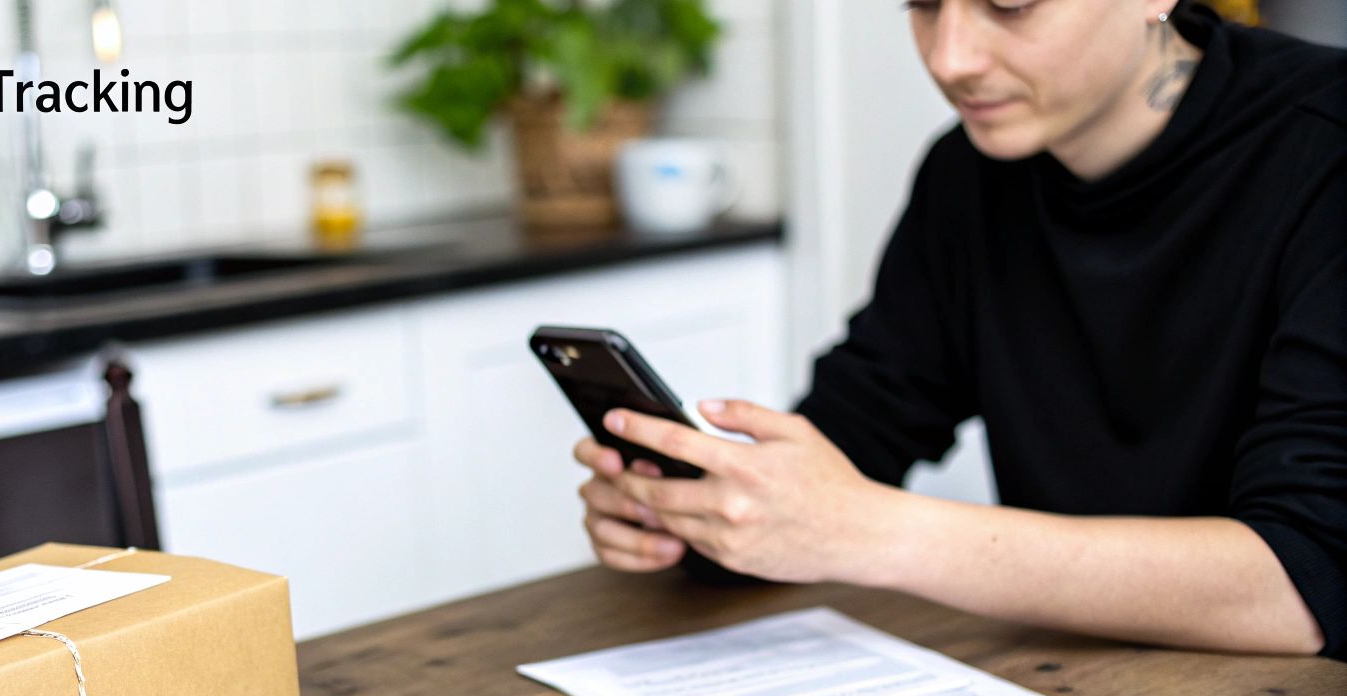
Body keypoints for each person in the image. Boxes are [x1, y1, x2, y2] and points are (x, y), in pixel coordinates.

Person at [574, 0, 1346, 659]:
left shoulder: (1326, 150)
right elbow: (861, 427)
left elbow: (1303, 583)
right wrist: (712, 514)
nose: (951, 58)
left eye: (1010, 4)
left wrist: (871, 533)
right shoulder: (969, 176)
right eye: (921, 3)